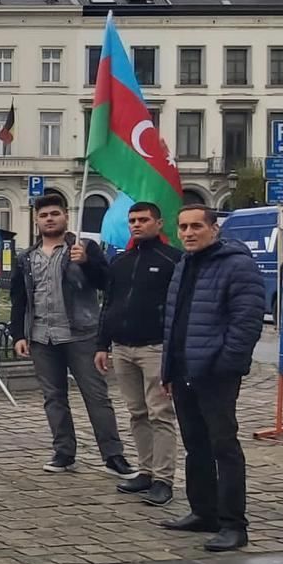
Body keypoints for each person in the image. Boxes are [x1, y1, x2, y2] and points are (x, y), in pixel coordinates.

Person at [159, 205, 265, 552]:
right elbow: (174, 321)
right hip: (184, 370)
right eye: (183, 227)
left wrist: (225, 364)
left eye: (196, 226)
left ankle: (234, 524)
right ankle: (203, 512)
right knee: (196, 446)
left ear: (213, 229)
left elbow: (247, 320)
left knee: (224, 447)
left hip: (215, 373)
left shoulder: (237, 264)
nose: (189, 233)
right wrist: (169, 368)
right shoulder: (184, 264)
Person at [10, 194, 135, 478]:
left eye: (55, 213)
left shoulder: (83, 247)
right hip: (42, 337)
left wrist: (88, 262)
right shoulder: (27, 257)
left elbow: (106, 284)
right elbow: (19, 298)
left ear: (66, 216)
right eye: (44, 215)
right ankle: (64, 451)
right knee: (54, 397)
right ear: (36, 220)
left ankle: (113, 455)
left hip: (81, 335)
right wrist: (19, 333)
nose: (49, 219)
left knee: (96, 396)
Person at [93, 202, 184, 506]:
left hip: (155, 347)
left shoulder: (173, 260)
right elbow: (109, 304)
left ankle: (163, 478)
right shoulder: (120, 261)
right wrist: (101, 344)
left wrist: (175, 350)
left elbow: (179, 308)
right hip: (122, 347)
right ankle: (145, 470)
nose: (136, 224)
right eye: (132, 220)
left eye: (143, 220)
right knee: (137, 413)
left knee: (160, 414)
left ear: (158, 224)